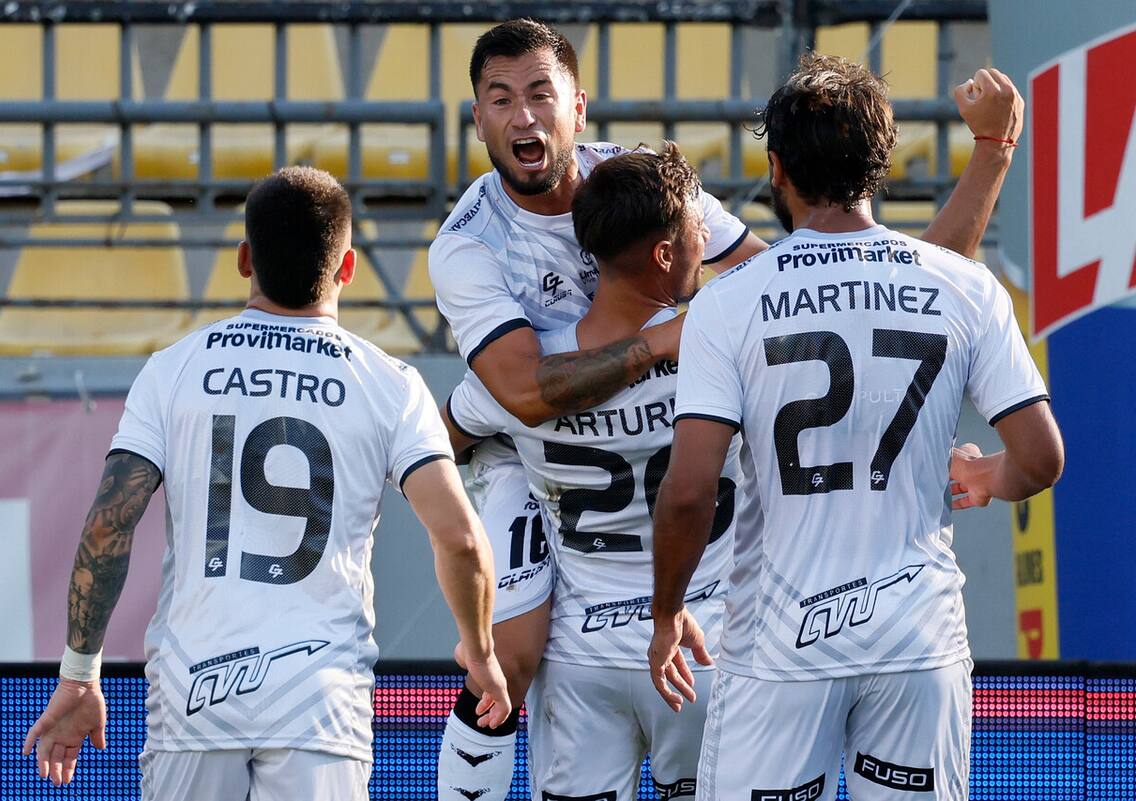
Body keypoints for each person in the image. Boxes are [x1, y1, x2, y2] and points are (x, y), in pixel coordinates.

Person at [429, 18, 1025, 800]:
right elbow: (528, 392)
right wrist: (679, 336)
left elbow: (814, 287)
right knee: (510, 652)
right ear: (478, 118)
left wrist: (454, 428)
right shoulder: (478, 245)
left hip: (616, 604)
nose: (523, 116)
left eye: (541, 93)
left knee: (506, 658)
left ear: (580, 107)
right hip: (725, 619)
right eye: (500, 99)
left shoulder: (646, 193)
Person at [648, 54, 1063, 801]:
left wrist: (668, 610)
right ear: (879, 165)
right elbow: (1040, 457)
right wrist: (986, 474)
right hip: (917, 640)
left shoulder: (729, 302)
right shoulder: (964, 286)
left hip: (779, 648)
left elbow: (688, 491)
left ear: (777, 167)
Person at [21, 166, 510, 800]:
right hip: (320, 706)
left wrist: (80, 675)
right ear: (348, 268)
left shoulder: (175, 369)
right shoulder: (390, 385)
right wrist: (480, 651)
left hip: (194, 696)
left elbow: (109, 522)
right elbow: (462, 541)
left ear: (245, 259)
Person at [445, 142, 737, 801]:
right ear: (667, 253)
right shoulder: (724, 343)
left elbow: (438, 443)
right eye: (698, 230)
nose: (704, 243)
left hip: (583, 656)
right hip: (703, 647)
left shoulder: (524, 378)